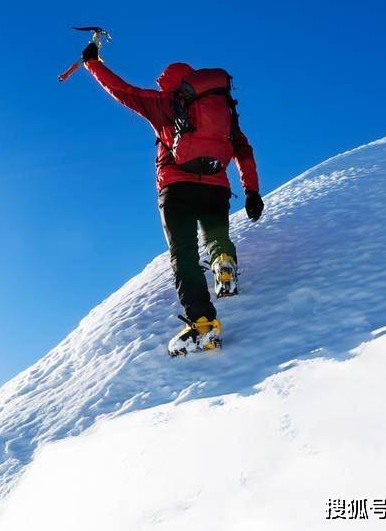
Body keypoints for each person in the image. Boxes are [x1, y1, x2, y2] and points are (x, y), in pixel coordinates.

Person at [80, 42, 264, 354]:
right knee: (216, 235)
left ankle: (204, 326)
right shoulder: (221, 110)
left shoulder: (163, 102)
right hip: (216, 186)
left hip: (176, 188)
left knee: (185, 255)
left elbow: (122, 90)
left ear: (167, 83)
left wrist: (92, 62)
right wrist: (252, 191)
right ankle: (224, 262)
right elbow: (243, 150)